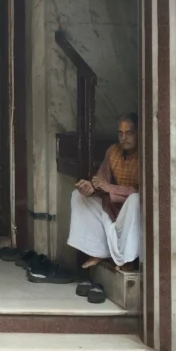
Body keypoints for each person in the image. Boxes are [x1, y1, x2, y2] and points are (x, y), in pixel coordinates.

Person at [68, 114, 141, 270]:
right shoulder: (112, 151)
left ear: (139, 133)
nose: (124, 137)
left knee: (135, 199)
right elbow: (101, 178)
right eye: (120, 133)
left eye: (129, 133)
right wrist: (90, 188)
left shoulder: (146, 156)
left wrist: (109, 188)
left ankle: (128, 259)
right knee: (78, 197)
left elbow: (142, 191)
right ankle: (98, 251)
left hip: (133, 210)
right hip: (113, 206)